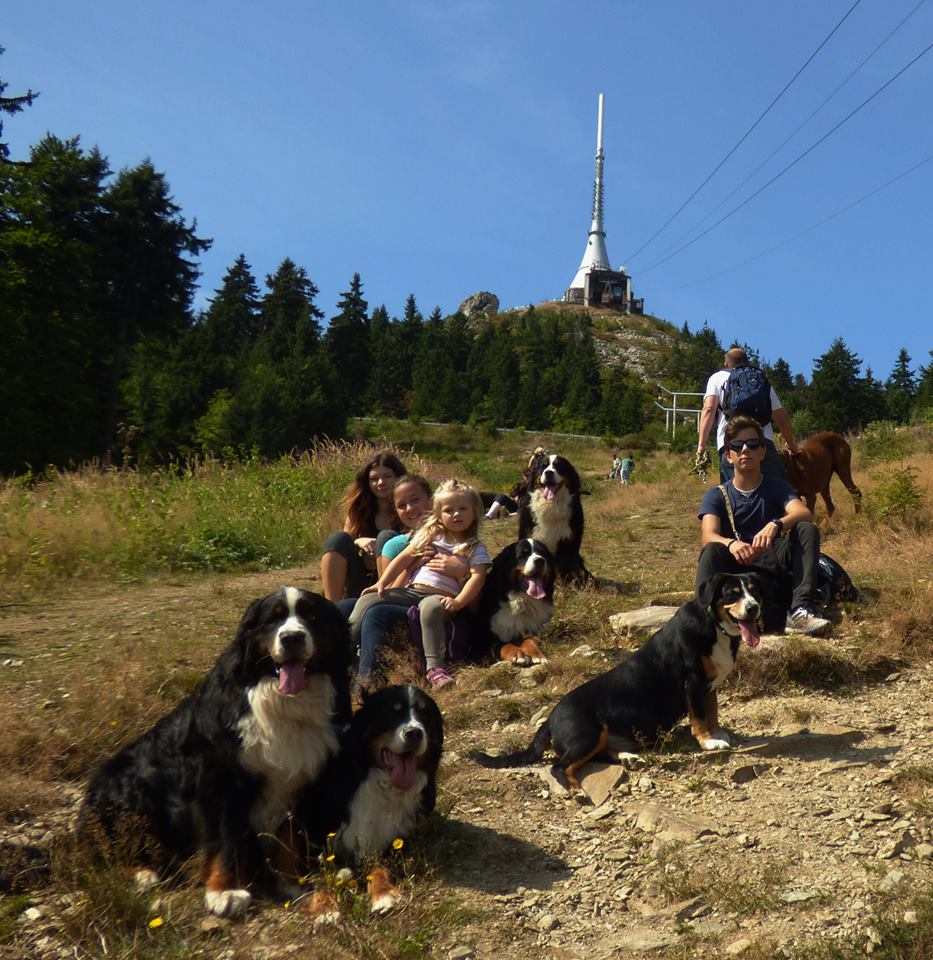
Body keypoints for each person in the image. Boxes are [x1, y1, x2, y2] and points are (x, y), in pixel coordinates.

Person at [348, 479, 491, 689]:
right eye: (449, 510)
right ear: (439, 514)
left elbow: (478, 578)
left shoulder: (475, 548)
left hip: (441, 596)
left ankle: (435, 669)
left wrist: (459, 601)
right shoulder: (432, 535)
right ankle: (345, 644)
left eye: (462, 509)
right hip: (413, 591)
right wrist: (382, 583)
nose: (456, 514)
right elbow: (403, 558)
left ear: (475, 511)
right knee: (368, 599)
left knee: (429, 607)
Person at [696, 415, 831, 637]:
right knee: (712, 550)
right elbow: (708, 535)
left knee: (806, 529)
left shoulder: (777, 487)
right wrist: (731, 544)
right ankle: (703, 615)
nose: (745, 450)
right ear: (729, 455)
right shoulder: (717, 494)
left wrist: (776, 524)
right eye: (737, 446)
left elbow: (804, 512)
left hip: (771, 564)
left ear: (763, 452)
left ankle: (800, 610)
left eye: (753, 444)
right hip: (736, 570)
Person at [696, 347, 800, 484]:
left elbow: (709, 409)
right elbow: (780, 416)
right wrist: (792, 446)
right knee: (776, 495)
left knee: (735, 497)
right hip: (763, 445)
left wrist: (701, 446)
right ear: (746, 362)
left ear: (726, 363)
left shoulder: (716, 378)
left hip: (732, 446)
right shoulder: (758, 379)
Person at [319, 452, 406, 601]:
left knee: (385, 537)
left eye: (387, 476)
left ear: (399, 478)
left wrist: (382, 549)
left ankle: (387, 602)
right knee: (337, 539)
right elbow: (347, 540)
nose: (380, 482)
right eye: (374, 479)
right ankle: (331, 607)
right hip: (360, 577)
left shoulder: (410, 509)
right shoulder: (359, 509)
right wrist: (359, 542)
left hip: (397, 578)